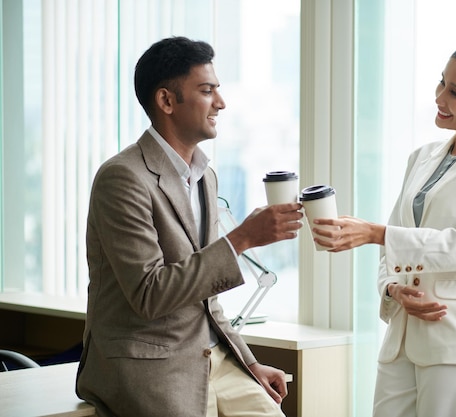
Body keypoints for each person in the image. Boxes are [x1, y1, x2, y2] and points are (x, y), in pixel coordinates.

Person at [76, 36, 303, 417]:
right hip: (150, 366)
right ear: (166, 101)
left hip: (214, 359)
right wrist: (243, 238)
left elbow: (206, 301)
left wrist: (248, 363)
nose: (221, 103)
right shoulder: (122, 178)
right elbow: (149, 294)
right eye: (207, 90)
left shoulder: (204, 176)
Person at [313, 41, 456, 417]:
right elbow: (393, 251)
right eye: (441, 84)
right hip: (403, 334)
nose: (440, 97)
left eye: (455, 92)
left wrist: (376, 233)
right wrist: (392, 288)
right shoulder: (422, 157)